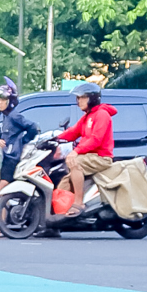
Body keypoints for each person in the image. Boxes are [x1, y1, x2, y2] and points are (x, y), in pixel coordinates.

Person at [60, 82, 116, 216]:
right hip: (89, 157)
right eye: (78, 98)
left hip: (101, 158)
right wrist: (53, 138)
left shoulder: (102, 114)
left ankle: (78, 203)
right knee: (64, 182)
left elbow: (96, 139)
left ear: (92, 98)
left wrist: (76, 151)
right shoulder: (87, 116)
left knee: (75, 162)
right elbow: (73, 132)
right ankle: (59, 214)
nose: (79, 101)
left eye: (83, 97)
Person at [0, 78, 33, 238]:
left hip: (12, 159)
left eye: (3, 100)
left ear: (11, 101)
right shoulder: (6, 117)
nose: (0, 103)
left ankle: (2, 226)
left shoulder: (14, 116)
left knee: (3, 190)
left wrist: (21, 142)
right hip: (6, 157)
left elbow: (33, 128)